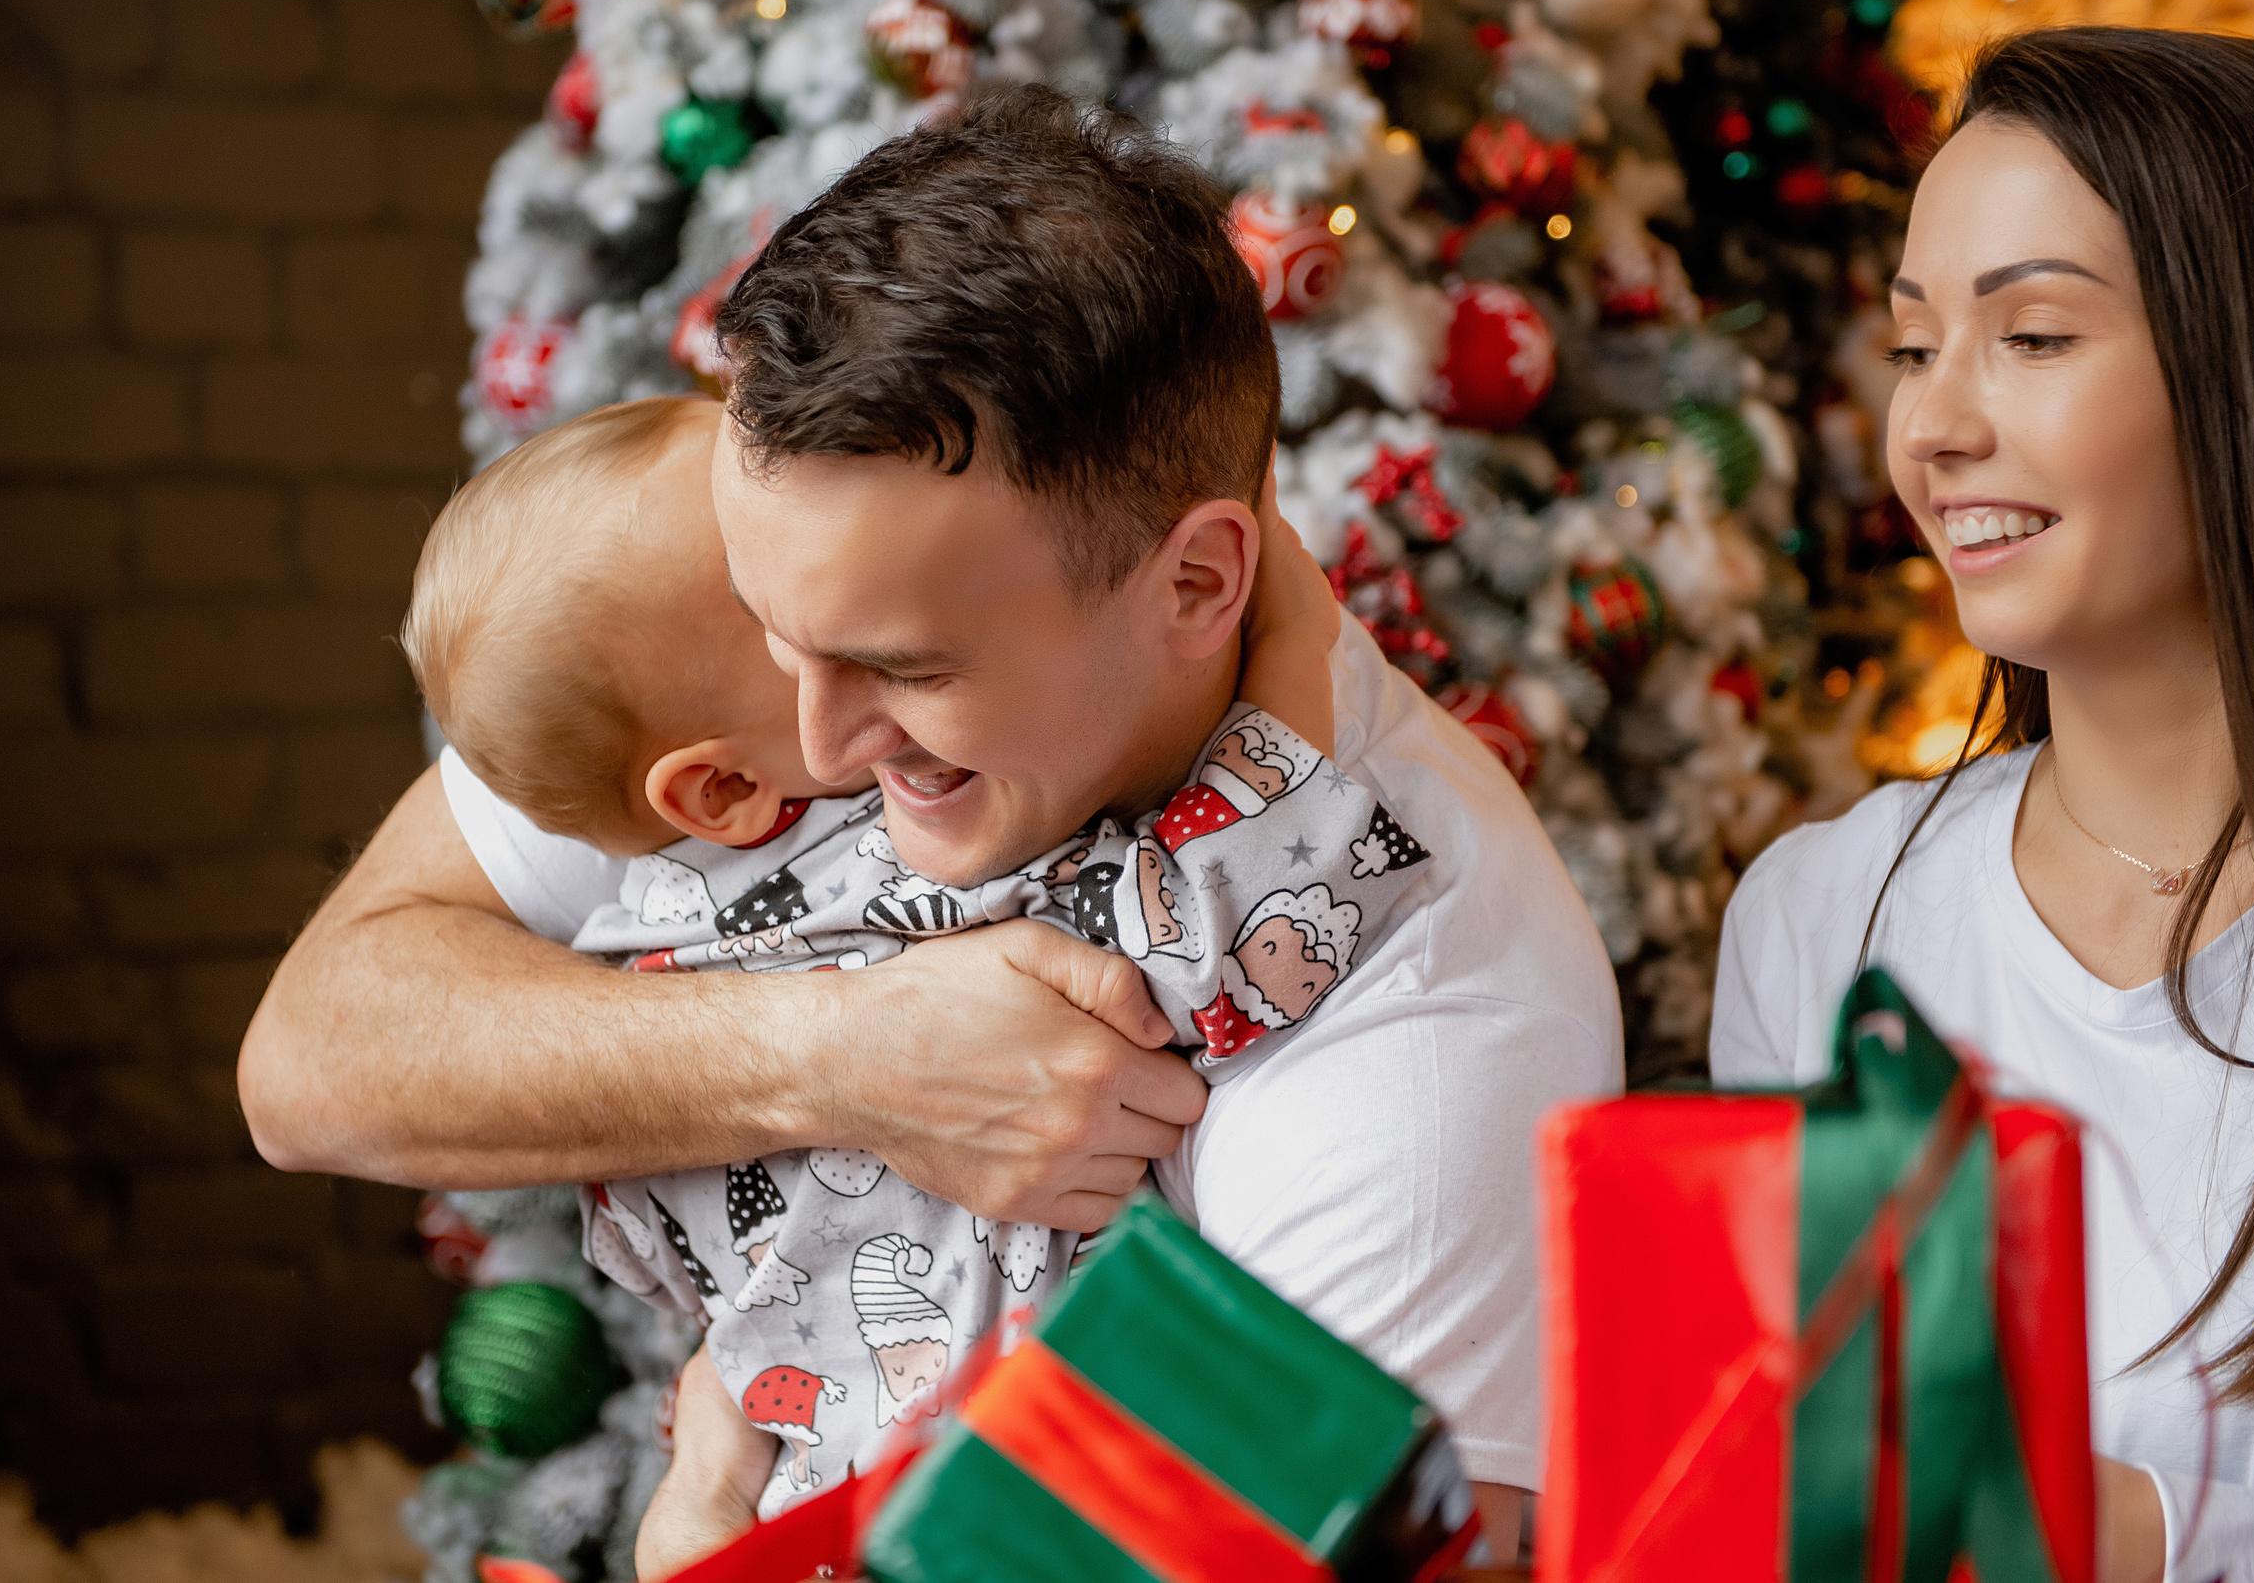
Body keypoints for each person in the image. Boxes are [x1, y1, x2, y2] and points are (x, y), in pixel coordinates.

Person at [241, 85, 1620, 1560]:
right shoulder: (731, 675)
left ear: (1203, 584)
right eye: (776, 638)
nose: (819, 749)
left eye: (905, 670)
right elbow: (314, 1063)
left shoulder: (1422, 1017)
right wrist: (843, 1056)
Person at [395, 386, 1437, 1558]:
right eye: (765, 599)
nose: (819, 572)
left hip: (817, 1498)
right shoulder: (877, 872)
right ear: (720, 789)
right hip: (997, 1508)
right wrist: (1296, 650)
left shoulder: (640, 950)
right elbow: (1225, 935)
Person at [1711, 27, 2254, 1581]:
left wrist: (2143, 1535)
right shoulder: (1824, 920)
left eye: (2032, 338)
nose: (1933, 427)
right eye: (1912, 344)